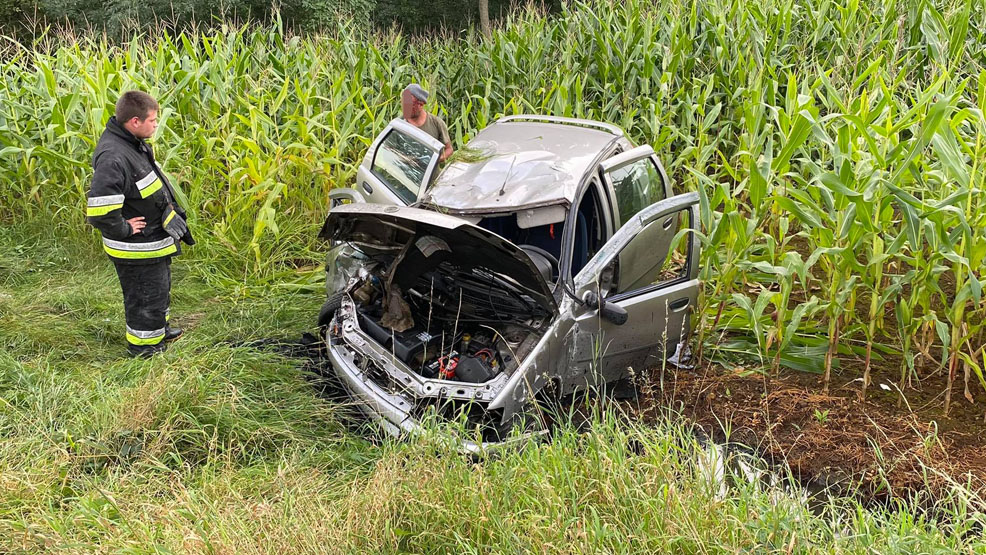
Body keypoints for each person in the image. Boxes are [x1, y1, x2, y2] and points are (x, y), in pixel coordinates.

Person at [86, 91, 194, 357]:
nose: (156, 124)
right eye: (153, 120)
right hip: (136, 247)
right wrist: (124, 229)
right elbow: (100, 211)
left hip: (152, 241)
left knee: (158, 290)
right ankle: (144, 349)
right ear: (135, 121)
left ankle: (158, 329)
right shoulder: (114, 156)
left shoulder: (133, 143)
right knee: (145, 296)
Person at [401, 83, 453, 162]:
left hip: (432, 174)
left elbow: (449, 149)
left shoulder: (436, 123)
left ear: (420, 105)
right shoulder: (400, 124)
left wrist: (433, 161)